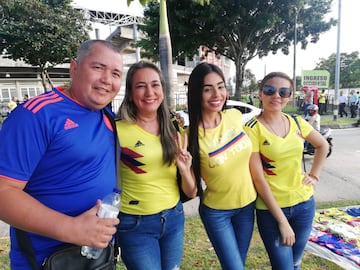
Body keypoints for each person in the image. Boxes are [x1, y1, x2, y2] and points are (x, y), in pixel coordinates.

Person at [0, 39, 123, 269]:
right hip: (45, 261)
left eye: (116, 73)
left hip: (98, 256)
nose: (107, 79)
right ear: (74, 68)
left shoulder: (104, 115)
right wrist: (71, 228)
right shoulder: (36, 115)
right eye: (98, 68)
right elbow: (2, 191)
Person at [115, 61, 197, 270]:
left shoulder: (174, 127)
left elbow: (191, 190)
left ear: (162, 88)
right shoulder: (116, 130)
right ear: (131, 92)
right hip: (135, 225)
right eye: (141, 86)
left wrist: (185, 169)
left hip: (174, 218)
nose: (149, 92)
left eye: (155, 85)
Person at [244, 72, 329, 270]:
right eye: (270, 90)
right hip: (272, 210)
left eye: (284, 92)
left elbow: (322, 145)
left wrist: (314, 175)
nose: (277, 96)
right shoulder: (251, 129)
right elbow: (258, 180)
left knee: (295, 263)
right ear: (260, 93)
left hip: (304, 204)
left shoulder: (297, 122)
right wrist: (282, 221)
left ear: (290, 96)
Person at [187, 62, 257, 269]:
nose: (216, 94)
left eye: (220, 86)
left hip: (247, 206)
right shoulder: (189, 136)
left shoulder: (235, 116)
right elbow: (190, 189)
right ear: (196, 93)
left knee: (238, 264)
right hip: (218, 212)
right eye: (207, 89)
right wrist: (184, 167)